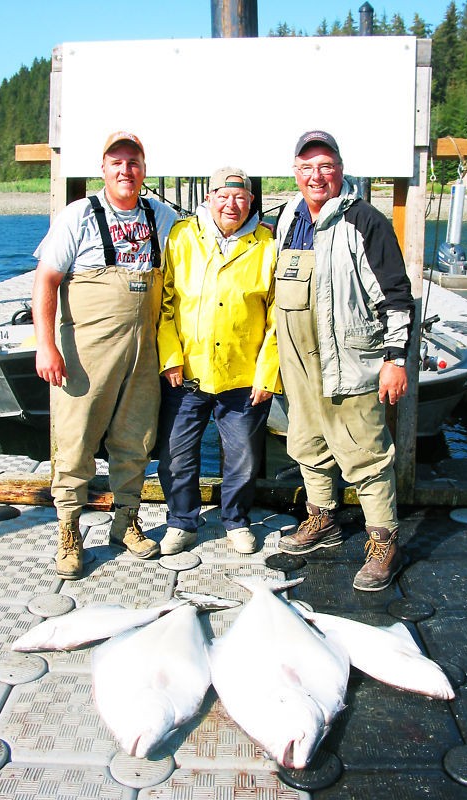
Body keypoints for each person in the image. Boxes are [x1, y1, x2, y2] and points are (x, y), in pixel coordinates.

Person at [32, 131, 177, 580]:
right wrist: (46, 344)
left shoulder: (163, 216)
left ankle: (125, 522)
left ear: (144, 169)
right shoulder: (78, 215)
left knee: (135, 439)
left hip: (145, 351)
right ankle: (69, 531)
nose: (125, 170)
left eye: (133, 162)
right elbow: (46, 281)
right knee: (75, 441)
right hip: (85, 351)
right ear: (103, 169)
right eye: (116, 162)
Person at [274, 130, 414, 591]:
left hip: (349, 359)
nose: (317, 176)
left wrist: (396, 358)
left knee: (366, 454)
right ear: (295, 172)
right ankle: (322, 520)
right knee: (308, 444)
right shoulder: (289, 218)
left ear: (340, 169)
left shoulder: (365, 220)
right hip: (298, 363)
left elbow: (396, 295)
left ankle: (383, 543)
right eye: (307, 167)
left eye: (326, 166)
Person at [156, 167, 280, 555]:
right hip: (187, 373)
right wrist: (170, 358)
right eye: (223, 196)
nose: (232, 204)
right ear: (208, 198)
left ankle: (236, 521)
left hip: (244, 376)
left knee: (243, 458)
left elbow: (278, 315)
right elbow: (165, 303)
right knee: (175, 455)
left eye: (240, 197)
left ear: (251, 202)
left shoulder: (267, 244)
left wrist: (267, 373)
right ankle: (182, 521)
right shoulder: (180, 237)